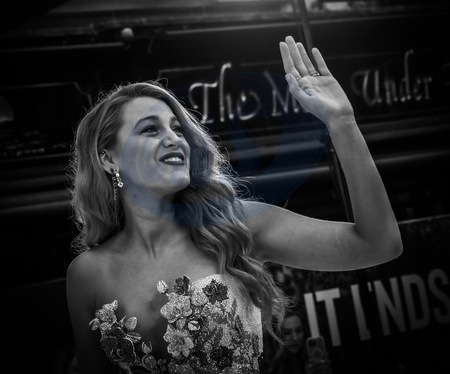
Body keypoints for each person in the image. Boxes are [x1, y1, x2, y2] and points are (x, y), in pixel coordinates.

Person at [66, 36, 403, 374]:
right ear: (108, 158)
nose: (173, 139)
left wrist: (342, 122)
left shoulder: (237, 226)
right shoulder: (87, 274)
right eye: (150, 129)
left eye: (177, 128)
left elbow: (378, 244)